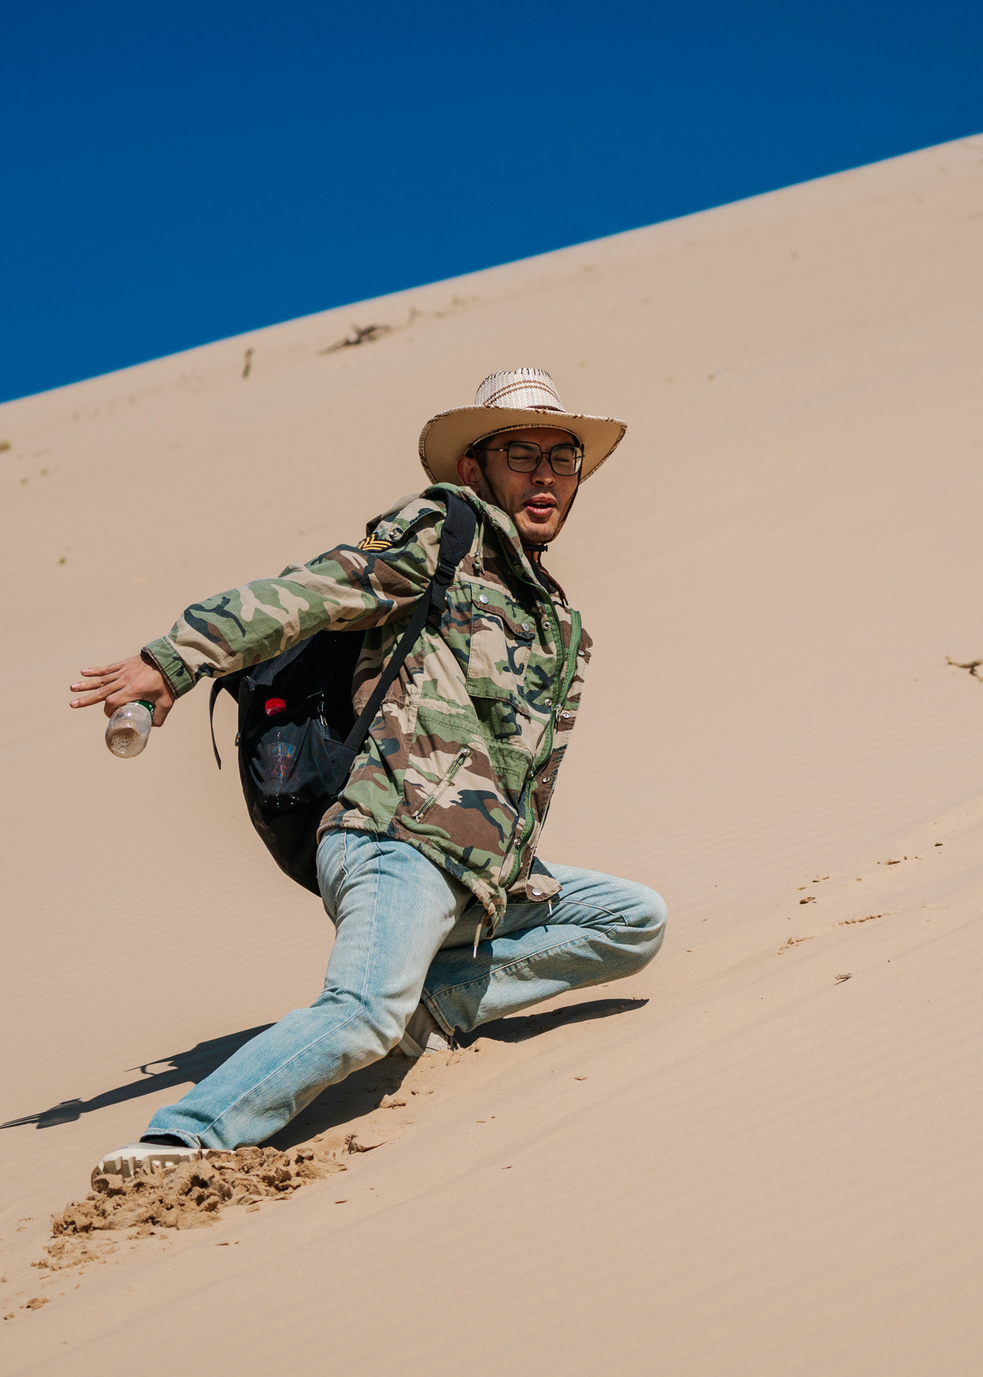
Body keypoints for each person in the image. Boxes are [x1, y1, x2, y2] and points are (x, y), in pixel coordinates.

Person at [67, 369, 665, 1179]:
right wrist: (175, 659)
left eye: (562, 458)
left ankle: (438, 997)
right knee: (361, 1013)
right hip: (398, 837)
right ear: (472, 470)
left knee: (631, 920)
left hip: (482, 873)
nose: (546, 476)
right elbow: (308, 593)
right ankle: (183, 1137)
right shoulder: (439, 536)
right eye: (521, 454)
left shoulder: (546, 610)